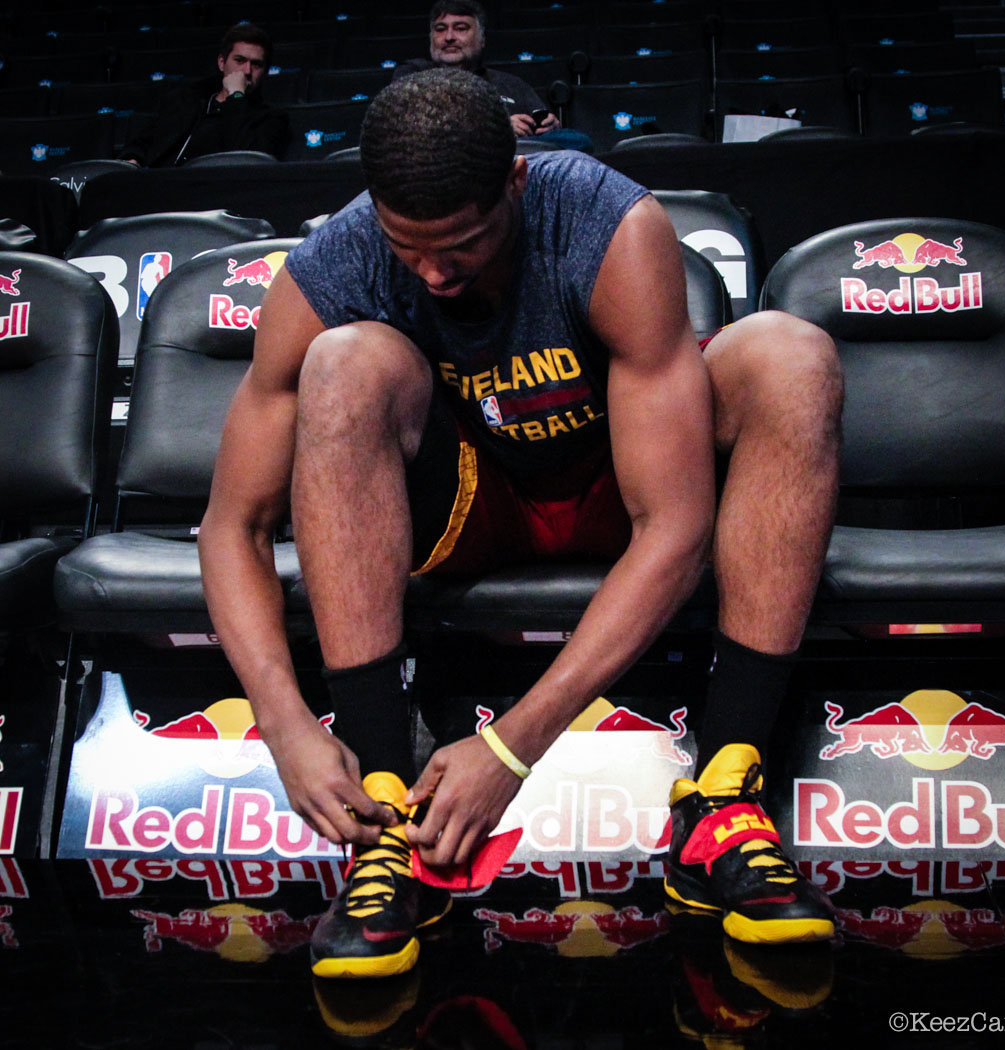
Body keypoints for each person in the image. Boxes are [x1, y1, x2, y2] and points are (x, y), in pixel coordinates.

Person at [198, 68, 843, 980]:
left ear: (515, 181)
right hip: (469, 505)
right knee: (343, 362)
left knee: (790, 354)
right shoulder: (334, 263)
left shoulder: (605, 223)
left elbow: (675, 525)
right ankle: (386, 822)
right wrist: (284, 719)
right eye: (406, 246)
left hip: (624, 489)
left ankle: (724, 795)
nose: (431, 272)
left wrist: (513, 743)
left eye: (459, 245)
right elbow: (231, 525)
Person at [393, 0, 581, 146]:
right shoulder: (413, 74)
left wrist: (549, 125)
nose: (449, 37)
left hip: (519, 162)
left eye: (460, 28)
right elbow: (412, 126)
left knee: (575, 139)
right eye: (440, 29)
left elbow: (544, 131)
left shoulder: (511, 83)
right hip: (446, 164)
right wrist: (495, 128)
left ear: (482, 39)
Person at [120, 23, 290, 167]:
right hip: (162, 186)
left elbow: (246, 162)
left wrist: (236, 96)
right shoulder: (186, 101)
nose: (247, 71)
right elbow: (141, 143)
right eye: (239, 60)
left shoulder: (271, 119)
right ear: (222, 62)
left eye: (256, 64)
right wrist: (132, 160)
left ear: (265, 72)